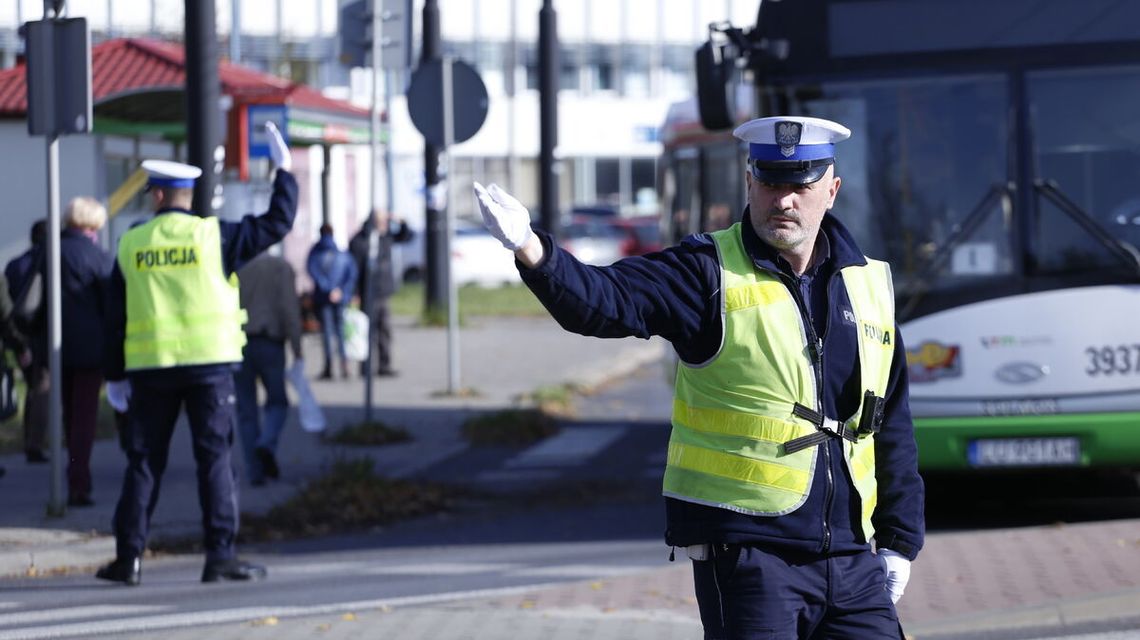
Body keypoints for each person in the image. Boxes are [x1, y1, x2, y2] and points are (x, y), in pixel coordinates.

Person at [473, 116, 925, 639]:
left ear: (831, 188)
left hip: (852, 559)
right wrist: (533, 249)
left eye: (800, 184)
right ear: (750, 182)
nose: (785, 201)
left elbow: (889, 419)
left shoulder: (868, 283)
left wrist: (899, 537)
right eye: (771, 182)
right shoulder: (706, 270)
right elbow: (604, 302)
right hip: (751, 556)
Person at [96, 121, 297, 587]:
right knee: (215, 462)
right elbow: (277, 223)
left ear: (158, 197)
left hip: (151, 370)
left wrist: (114, 377)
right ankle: (219, 556)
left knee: (144, 463)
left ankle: (128, 559)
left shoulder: (131, 244)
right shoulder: (216, 237)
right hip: (210, 369)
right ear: (185, 196)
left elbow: (115, 318)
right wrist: (282, 173)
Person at [59, 196, 115, 507]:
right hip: (90, 350)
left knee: (68, 415)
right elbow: (112, 304)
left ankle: (69, 472)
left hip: (54, 350)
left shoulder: (47, 251)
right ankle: (78, 482)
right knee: (84, 418)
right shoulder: (97, 256)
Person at [235, 251, 303, 486]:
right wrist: (296, 345)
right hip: (270, 342)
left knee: (246, 410)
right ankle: (266, 442)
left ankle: (255, 471)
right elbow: (289, 308)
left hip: (238, 344)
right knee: (277, 402)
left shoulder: (237, 267)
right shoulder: (280, 268)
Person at [4, 219, 48, 464]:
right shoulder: (49, 263)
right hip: (42, 336)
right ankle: (34, 443)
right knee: (42, 388)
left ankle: (28, 439)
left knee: (33, 387)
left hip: (19, 335)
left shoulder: (15, 264)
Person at [349, 208, 412, 377]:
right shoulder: (358, 241)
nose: (385, 224)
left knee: (384, 331)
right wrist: (354, 292)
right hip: (366, 292)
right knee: (367, 332)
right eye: (382, 221)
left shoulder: (385, 237)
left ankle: (384, 366)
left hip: (383, 292)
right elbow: (353, 269)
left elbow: (406, 237)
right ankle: (365, 368)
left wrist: (401, 222)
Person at [306, 224, 356, 380]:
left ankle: (329, 366)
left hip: (323, 299)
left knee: (327, 332)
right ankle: (344, 364)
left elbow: (312, 271)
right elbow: (351, 273)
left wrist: (327, 289)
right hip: (340, 298)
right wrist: (340, 291)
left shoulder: (315, 253)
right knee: (340, 331)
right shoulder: (342, 253)